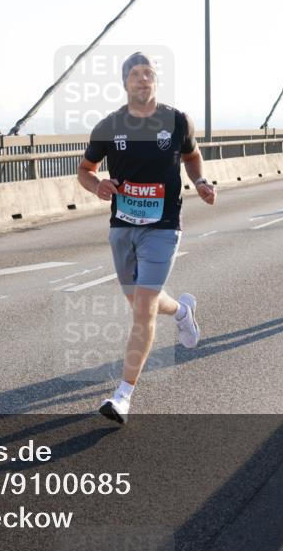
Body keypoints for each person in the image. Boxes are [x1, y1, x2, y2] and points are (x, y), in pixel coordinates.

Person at [77, 51, 216, 425]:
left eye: (149, 73)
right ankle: (183, 311)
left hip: (163, 224)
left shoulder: (176, 120)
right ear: (124, 83)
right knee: (141, 302)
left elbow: (193, 155)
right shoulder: (108, 126)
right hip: (122, 226)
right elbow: (85, 170)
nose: (143, 79)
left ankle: (123, 395)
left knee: (143, 308)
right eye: (136, 74)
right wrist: (97, 186)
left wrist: (200, 180)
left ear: (156, 80)